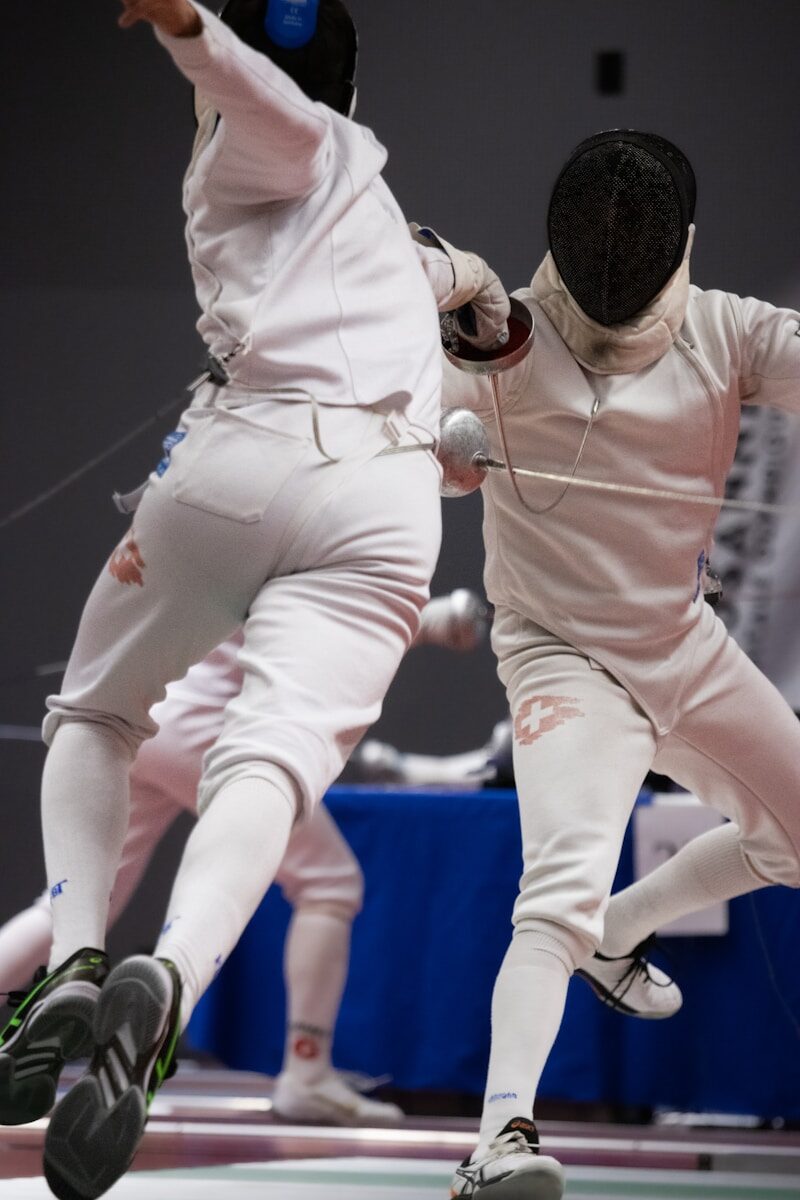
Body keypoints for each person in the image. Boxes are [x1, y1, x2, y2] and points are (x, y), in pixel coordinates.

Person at [0, 2, 509, 1196]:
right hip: (386, 508)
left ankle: (81, 961)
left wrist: (188, 30)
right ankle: (168, 977)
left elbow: (281, 116)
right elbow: (438, 274)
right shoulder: (352, 189)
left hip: (241, 464)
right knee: (270, 766)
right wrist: (484, 328)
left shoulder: (289, 152)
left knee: (95, 717)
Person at [437, 129, 800, 1199]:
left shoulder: (727, 332)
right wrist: (441, 449)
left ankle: (620, 936)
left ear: (676, 244)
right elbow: (417, 434)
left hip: (682, 644)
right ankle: (495, 1145)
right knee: (552, 889)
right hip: (560, 660)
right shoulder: (494, 333)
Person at [0, 590, 486, 1127]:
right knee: (331, 883)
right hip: (211, 730)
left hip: (144, 717)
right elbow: (324, 617)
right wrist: (429, 621)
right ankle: (307, 1073)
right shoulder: (317, 521)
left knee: (74, 905)